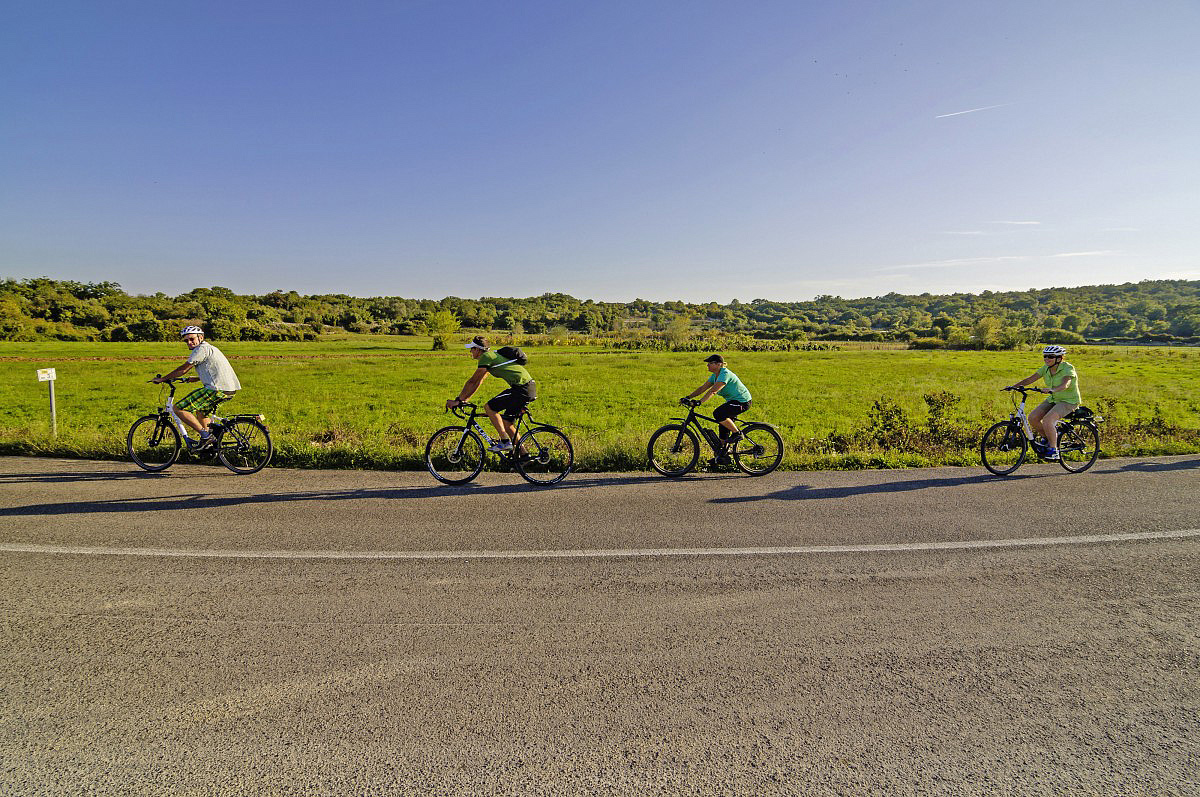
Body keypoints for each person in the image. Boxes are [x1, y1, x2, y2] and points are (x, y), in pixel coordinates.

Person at [152, 325, 241, 449]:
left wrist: (162, 379)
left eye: (192, 339)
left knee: (178, 408)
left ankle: (205, 436)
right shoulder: (211, 348)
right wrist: (197, 378)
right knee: (201, 412)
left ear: (201, 337)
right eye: (186, 340)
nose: (189, 342)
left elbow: (183, 369)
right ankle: (208, 444)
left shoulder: (201, 349)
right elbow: (215, 370)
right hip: (229, 389)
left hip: (216, 390)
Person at [446, 336, 536, 452]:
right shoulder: (491, 357)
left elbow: (472, 381)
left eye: (472, 349)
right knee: (507, 423)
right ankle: (524, 455)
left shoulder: (486, 357)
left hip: (521, 389)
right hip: (526, 388)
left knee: (490, 407)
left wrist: (458, 400)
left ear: (478, 349)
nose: (470, 351)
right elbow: (478, 381)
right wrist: (464, 400)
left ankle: (504, 442)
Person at [1006, 344, 1080, 461]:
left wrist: (1053, 390)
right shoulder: (1045, 368)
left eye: (1050, 356)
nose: (1046, 359)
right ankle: (1048, 438)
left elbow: (1065, 384)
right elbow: (1030, 379)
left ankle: (1054, 450)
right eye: (1045, 356)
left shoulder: (1067, 368)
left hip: (1068, 401)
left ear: (1059, 358)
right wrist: (1013, 386)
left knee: (1048, 420)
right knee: (1032, 418)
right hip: (1054, 399)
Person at [681, 354, 753, 465]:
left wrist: (700, 402)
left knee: (718, 413)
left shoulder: (725, 374)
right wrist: (688, 397)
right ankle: (722, 455)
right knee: (723, 426)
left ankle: (737, 433)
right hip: (733, 402)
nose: (707, 365)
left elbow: (713, 391)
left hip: (742, 402)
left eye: (710, 363)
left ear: (719, 364)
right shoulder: (715, 376)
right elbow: (702, 388)